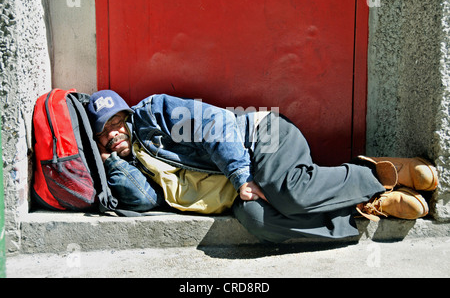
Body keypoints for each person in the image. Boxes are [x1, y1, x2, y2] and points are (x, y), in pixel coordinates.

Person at [86, 90, 438, 243]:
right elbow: (144, 200)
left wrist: (240, 177)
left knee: (288, 192)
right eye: (104, 130)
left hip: (261, 139)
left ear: (128, 115)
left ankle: (378, 174)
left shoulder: (152, 114)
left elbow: (216, 124)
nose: (113, 131)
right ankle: (360, 212)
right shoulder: (130, 164)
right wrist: (113, 162)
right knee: (258, 222)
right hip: (238, 191)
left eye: (117, 121)